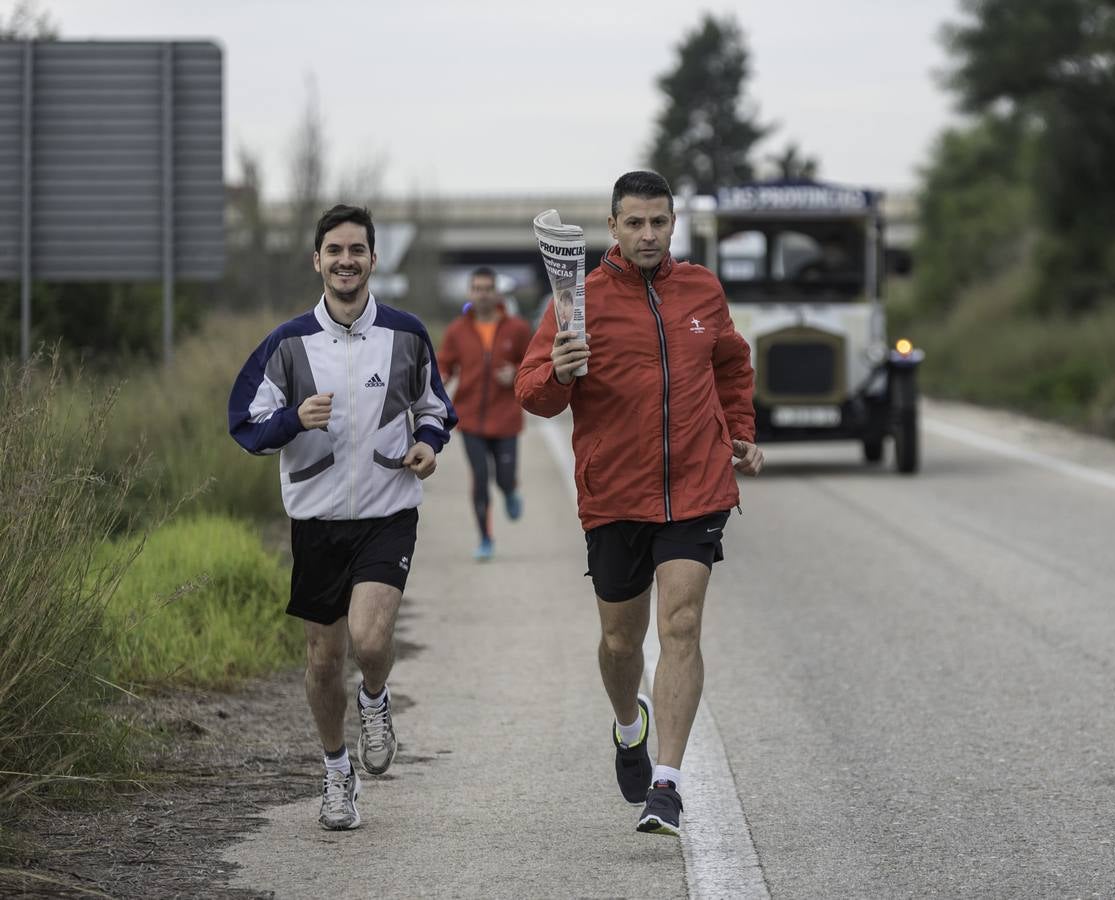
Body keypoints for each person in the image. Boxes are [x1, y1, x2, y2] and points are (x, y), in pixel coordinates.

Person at [516, 170, 764, 836]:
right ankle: (631, 725)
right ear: (613, 228)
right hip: (616, 494)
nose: (648, 234)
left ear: (672, 224)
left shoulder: (702, 290)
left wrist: (739, 431)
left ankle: (668, 783)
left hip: (696, 485)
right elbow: (532, 392)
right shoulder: (579, 301)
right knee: (621, 640)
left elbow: (731, 365)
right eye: (635, 222)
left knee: (680, 624)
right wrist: (559, 371)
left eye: (659, 222)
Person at [227, 204, 457, 831]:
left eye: (357, 250)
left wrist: (428, 445)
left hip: (388, 512)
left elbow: (436, 407)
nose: (346, 261)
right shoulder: (288, 342)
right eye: (335, 251)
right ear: (318, 260)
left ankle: (376, 701)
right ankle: (335, 773)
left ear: (373, 259)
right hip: (317, 521)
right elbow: (244, 425)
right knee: (324, 661)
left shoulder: (407, 334)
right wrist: (292, 419)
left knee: (373, 638)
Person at [436, 266, 533, 560]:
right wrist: (439, 381)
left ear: (496, 292)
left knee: (503, 478)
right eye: (477, 288)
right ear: (470, 292)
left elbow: (533, 363)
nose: (482, 294)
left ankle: (510, 492)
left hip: (505, 418)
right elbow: (445, 365)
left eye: (487, 288)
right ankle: (485, 539)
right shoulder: (457, 330)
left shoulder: (517, 328)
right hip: (470, 419)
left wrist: (516, 373)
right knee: (479, 479)